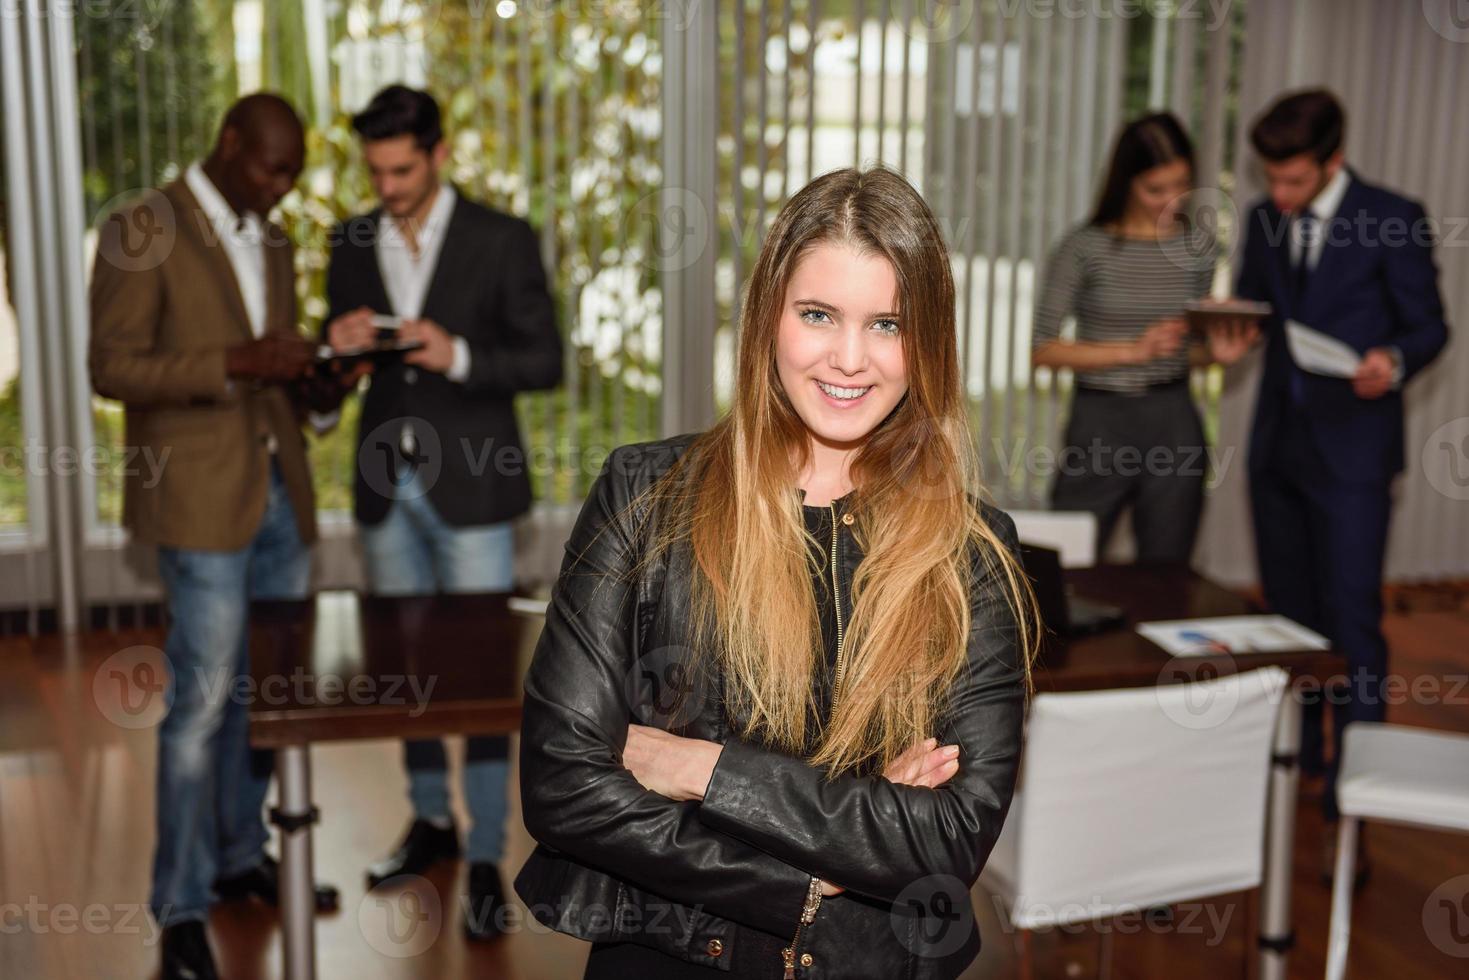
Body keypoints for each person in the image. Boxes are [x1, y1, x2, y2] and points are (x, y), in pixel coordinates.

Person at [514, 167, 1037, 979]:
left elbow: (945, 839)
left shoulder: (972, 554)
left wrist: (697, 769)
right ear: (769, 319)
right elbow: (564, 786)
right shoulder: (644, 497)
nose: (850, 359)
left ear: (928, 342)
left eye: (888, 324)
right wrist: (817, 868)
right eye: (818, 314)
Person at [88, 94, 349, 980]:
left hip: (278, 492)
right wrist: (236, 362)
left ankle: (242, 858)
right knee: (201, 707)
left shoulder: (270, 237)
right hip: (198, 504)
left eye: (293, 176)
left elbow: (269, 368)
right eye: (271, 169)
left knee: (266, 697)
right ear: (229, 143)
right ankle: (182, 905)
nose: (281, 190)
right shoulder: (141, 225)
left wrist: (313, 377)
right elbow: (111, 364)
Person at [321, 84, 563, 938]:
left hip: (474, 490)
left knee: (485, 682)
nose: (386, 187)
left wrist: (451, 350)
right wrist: (337, 353)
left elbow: (545, 361)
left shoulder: (502, 238)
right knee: (406, 669)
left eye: (401, 169)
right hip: (385, 490)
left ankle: (491, 854)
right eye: (375, 170)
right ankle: (431, 822)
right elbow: (323, 386)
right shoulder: (350, 241)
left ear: (439, 152)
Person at [1219, 89, 1448, 872]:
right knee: (1290, 619)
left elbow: (1429, 325)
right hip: (1275, 450)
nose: (1278, 196)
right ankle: (1300, 759)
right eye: (1271, 180)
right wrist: (1229, 341)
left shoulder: (1394, 214)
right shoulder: (1261, 220)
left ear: (1332, 162)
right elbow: (1252, 315)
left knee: (1351, 619)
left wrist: (1394, 360)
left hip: (1352, 451)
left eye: (1292, 182)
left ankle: (1352, 777)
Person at [1031, 112, 1253, 563]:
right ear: (1126, 182)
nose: (1172, 200)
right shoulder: (1083, 248)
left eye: (1181, 185)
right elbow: (1043, 350)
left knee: (1167, 571)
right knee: (1068, 563)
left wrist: (1215, 355)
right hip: (1100, 421)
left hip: (1173, 419)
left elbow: (1185, 353)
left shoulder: (1199, 250)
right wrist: (1134, 350)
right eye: (1156, 189)